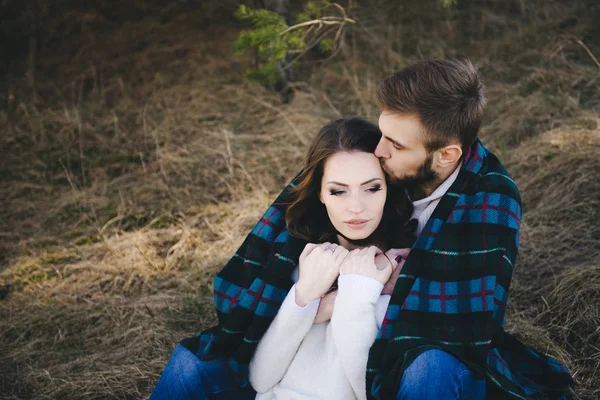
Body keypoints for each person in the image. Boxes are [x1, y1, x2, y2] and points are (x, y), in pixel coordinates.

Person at [152, 59, 574, 400]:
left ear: (445, 156)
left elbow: (460, 323)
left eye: (395, 144)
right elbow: (275, 255)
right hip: (307, 350)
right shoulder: (368, 163)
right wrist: (318, 301)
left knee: (431, 368)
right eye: (382, 132)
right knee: (192, 363)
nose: (379, 150)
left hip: (415, 351)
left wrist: (371, 289)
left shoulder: (490, 198)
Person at [150, 117, 416, 400]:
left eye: (372, 188)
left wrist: (355, 294)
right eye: (338, 191)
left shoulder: (396, 267)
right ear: (320, 194)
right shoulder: (306, 259)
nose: (356, 207)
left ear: (388, 188)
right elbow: (261, 379)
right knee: (187, 359)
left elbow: (369, 391)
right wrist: (303, 298)